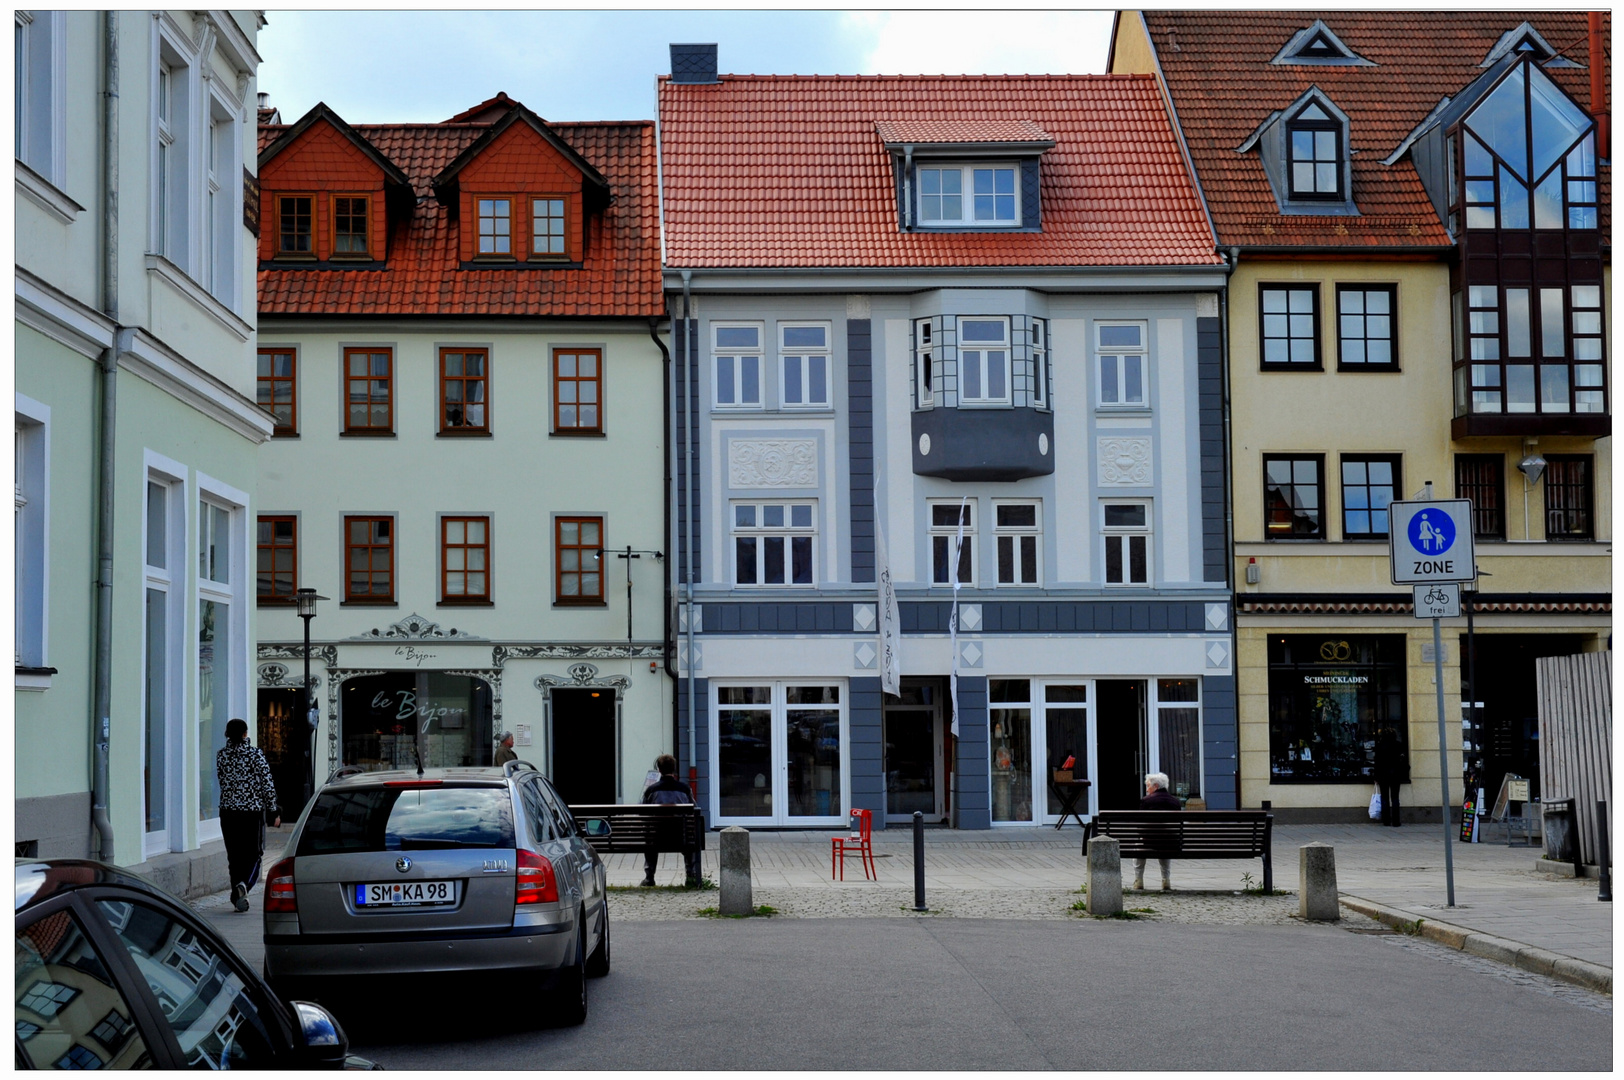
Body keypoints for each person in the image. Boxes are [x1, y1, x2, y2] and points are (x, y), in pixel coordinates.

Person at [217, 719, 279, 913]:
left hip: (227, 811)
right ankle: (244, 885)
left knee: (234, 855)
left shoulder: (222, 755)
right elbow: (267, 783)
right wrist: (273, 809)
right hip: (250, 812)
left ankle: (237, 897)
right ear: (245, 734)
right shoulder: (255, 754)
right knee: (254, 854)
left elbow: (222, 780)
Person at [641, 754, 702, 887]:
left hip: (657, 838)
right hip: (681, 837)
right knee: (690, 838)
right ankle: (690, 875)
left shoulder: (651, 790)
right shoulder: (685, 789)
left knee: (649, 837)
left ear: (659, 770)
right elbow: (695, 809)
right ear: (674, 770)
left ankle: (649, 877)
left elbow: (642, 812)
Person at [1133, 771, 1181, 892]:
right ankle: (1166, 880)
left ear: (1156, 786)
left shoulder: (1146, 801)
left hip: (1149, 841)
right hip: (1170, 843)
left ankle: (1138, 881)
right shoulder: (1175, 801)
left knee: (1138, 846)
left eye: (1148, 786)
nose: (1147, 789)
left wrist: (1143, 836)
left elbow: (1140, 824)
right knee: (1165, 846)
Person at [1373, 726, 1403, 828]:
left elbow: (1377, 762)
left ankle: (1386, 820)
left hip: (1383, 774)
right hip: (1395, 774)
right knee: (1395, 798)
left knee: (1384, 797)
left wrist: (1376, 776)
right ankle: (1396, 821)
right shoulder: (1398, 745)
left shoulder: (1380, 746)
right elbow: (1402, 760)